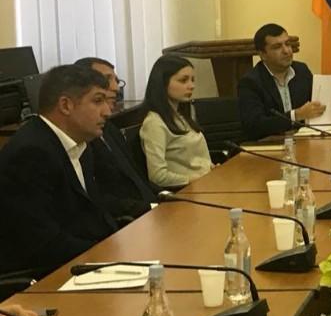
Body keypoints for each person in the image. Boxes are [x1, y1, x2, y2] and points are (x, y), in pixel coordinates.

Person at [0, 65, 118, 279]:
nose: (107, 112)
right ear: (66, 105)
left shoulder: (79, 144)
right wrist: (108, 256)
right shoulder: (31, 152)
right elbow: (42, 242)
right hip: (46, 276)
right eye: (97, 101)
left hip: (82, 260)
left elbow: (93, 214)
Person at [74, 57, 158, 220]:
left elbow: (135, 177)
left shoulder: (110, 129)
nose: (115, 88)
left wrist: (162, 200)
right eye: (107, 79)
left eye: (117, 81)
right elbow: (98, 197)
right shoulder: (82, 137)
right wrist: (150, 207)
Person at [238, 23, 331, 140]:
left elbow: (317, 109)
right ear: (262, 54)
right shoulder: (250, 82)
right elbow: (254, 126)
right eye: (277, 47)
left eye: (287, 44)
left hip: (303, 143)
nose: (286, 51)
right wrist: (296, 115)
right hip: (270, 146)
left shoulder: (301, 71)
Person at [139, 56, 212, 187]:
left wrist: (211, 168)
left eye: (192, 80)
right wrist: (193, 179)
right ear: (163, 83)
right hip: (187, 190)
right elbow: (158, 176)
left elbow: (196, 160)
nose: (192, 86)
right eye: (183, 80)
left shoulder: (183, 115)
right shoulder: (154, 123)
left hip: (205, 182)